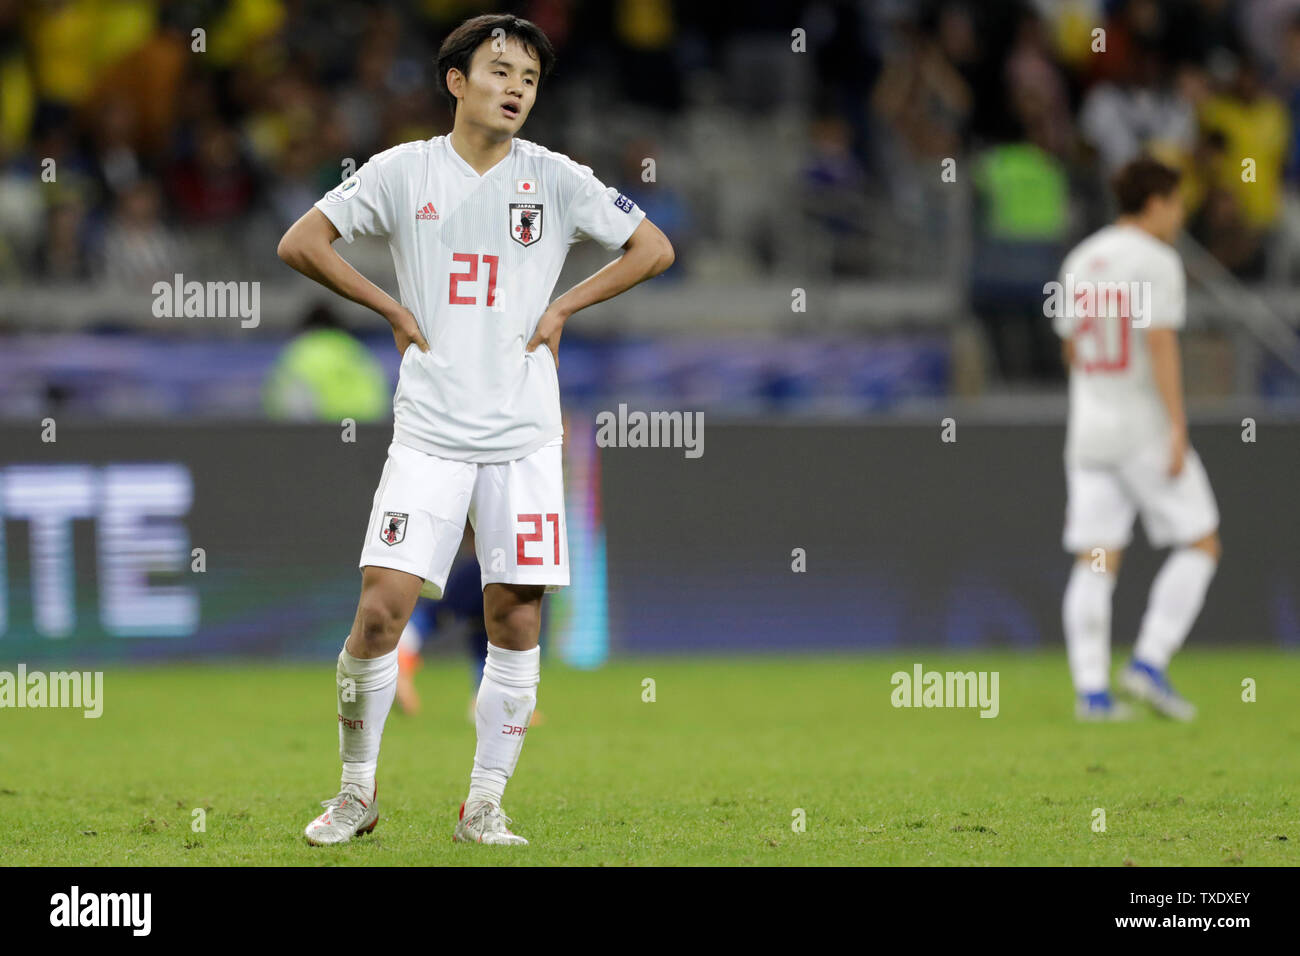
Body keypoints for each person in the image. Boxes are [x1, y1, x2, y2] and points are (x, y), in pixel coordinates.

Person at [276, 13, 674, 846]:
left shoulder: (559, 178)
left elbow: (652, 247)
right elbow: (302, 240)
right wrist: (386, 303)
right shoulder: (400, 172)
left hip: (524, 434)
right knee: (381, 611)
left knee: (516, 620)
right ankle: (356, 794)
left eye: (528, 78)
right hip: (428, 431)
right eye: (499, 71)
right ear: (456, 82)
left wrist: (566, 302)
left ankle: (484, 803)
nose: (516, 88)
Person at [1053, 156, 1220, 722]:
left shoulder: (1081, 258)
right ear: (1154, 203)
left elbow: (1072, 347)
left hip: (1090, 432)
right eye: (1176, 203)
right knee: (1200, 543)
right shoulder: (1156, 261)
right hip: (1142, 427)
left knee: (1096, 559)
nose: (1179, 215)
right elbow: (1160, 345)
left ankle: (1091, 694)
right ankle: (1148, 663)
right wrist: (1177, 426)